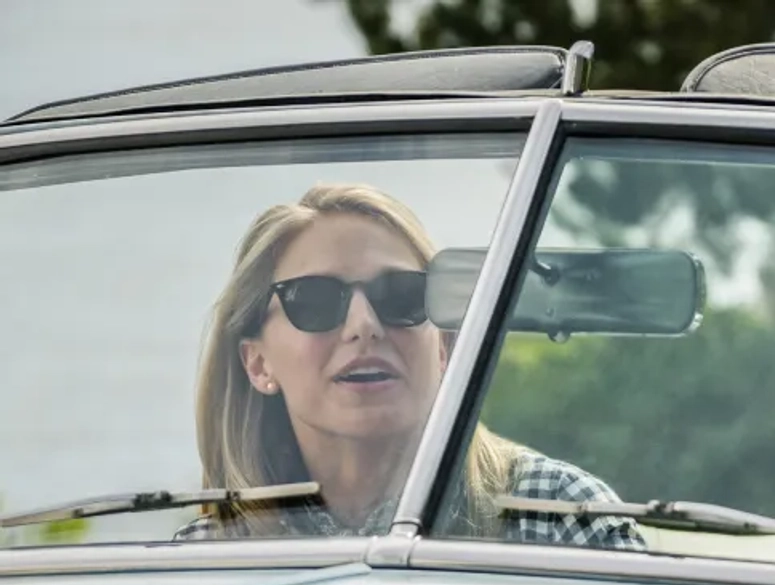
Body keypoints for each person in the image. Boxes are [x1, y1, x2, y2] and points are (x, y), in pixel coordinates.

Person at [179, 182, 643, 547]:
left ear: (442, 344)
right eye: (315, 300)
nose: (365, 325)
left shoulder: (566, 520)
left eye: (401, 296)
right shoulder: (206, 563)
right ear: (257, 364)